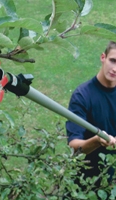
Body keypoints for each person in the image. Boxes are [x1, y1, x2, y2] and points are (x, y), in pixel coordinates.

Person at [66, 41, 116, 191]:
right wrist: (96, 141)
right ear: (103, 57)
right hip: (86, 186)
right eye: (113, 60)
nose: (115, 69)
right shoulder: (82, 96)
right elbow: (74, 148)